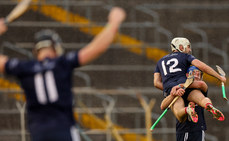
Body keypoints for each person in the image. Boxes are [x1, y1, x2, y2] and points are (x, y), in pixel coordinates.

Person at [0, 7, 126, 141]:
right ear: (56, 47)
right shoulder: (62, 63)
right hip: (63, 130)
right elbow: (96, 48)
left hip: (39, 133)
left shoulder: (23, 67)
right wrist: (113, 23)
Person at [154, 37, 225, 123]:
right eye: (188, 47)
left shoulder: (160, 61)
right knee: (202, 99)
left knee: (180, 114)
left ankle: (187, 110)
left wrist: (173, 89)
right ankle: (208, 105)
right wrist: (219, 77)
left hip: (171, 88)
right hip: (186, 84)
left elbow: (156, 83)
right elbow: (203, 67)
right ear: (181, 47)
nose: (190, 49)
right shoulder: (185, 56)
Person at [161, 66, 208, 141]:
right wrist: (174, 94)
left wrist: (181, 85)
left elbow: (202, 84)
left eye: (198, 74)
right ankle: (187, 110)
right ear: (187, 75)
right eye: (193, 73)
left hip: (199, 129)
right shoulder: (179, 90)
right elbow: (163, 105)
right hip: (184, 129)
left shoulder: (201, 89)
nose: (196, 76)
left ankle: (209, 106)